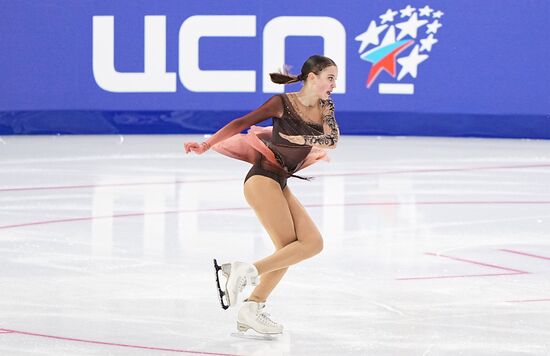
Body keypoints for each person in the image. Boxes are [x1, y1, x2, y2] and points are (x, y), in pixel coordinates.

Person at [184, 54, 339, 335]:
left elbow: (332, 140)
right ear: (312, 77)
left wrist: (300, 140)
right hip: (262, 179)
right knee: (289, 247)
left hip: (280, 180)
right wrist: (206, 145)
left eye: (335, 79)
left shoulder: (325, 106)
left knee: (312, 243)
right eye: (330, 78)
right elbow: (242, 122)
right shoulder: (281, 103)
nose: (334, 84)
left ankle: (247, 287)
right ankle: (250, 298)